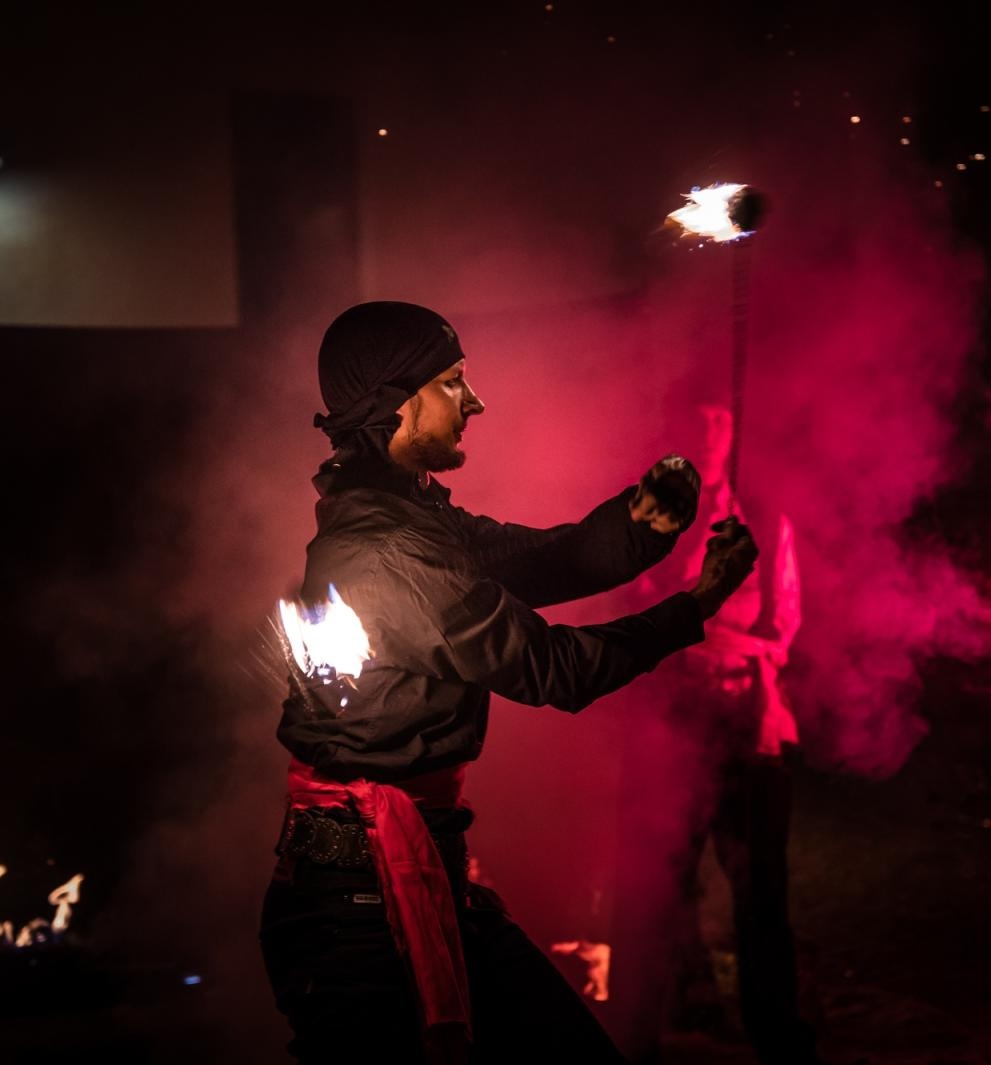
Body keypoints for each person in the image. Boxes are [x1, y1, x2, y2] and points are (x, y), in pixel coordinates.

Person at [260, 302, 760, 1064]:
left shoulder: (411, 516)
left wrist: (644, 523)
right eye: (454, 381)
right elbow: (554, 669)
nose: (475, 401)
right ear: (400, 401)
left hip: (408, 876)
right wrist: (696, 607)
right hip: (354, 911)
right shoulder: (388, 550)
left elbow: (546, 561)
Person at [609, 402, 816, 1064]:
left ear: (729, 441)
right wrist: (698, 618)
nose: (704, 443)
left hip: (745, 726)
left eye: (716, 430)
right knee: (652, 886)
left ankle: (775, 1033)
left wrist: (700, 627)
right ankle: (634, 1028)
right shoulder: (653, 529)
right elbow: (636, 617)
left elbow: (781, 633)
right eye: (692, 432)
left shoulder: (764, 525)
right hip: (669, 728)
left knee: (760, 889)